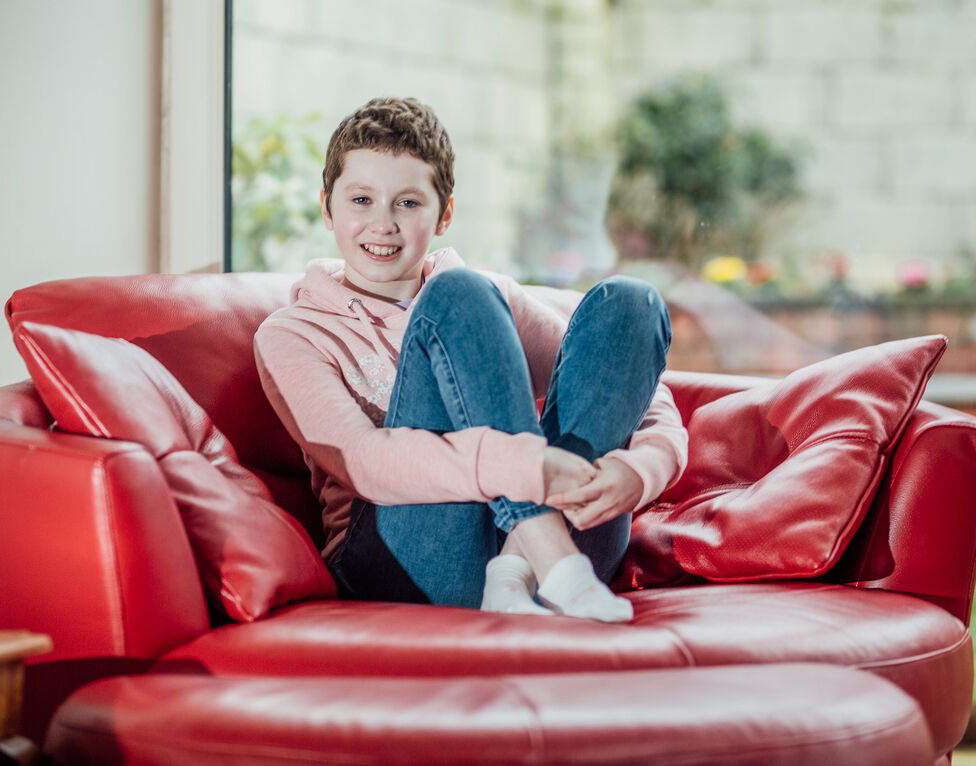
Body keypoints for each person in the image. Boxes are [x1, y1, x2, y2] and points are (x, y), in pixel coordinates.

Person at [255, 97, 688, 623]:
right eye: (362, 199)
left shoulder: (487, 297)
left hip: (561, 538)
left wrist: (642, 468)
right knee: (457, 295)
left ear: (444, 215)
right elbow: (365, 463)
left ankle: (516, 573)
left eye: (408, 203)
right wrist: (525, 467)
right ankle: (550, 561)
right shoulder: (294, 333)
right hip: (410, 560)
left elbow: (629, 386)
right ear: (327, 208)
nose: (383, 223)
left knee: (631, 302)